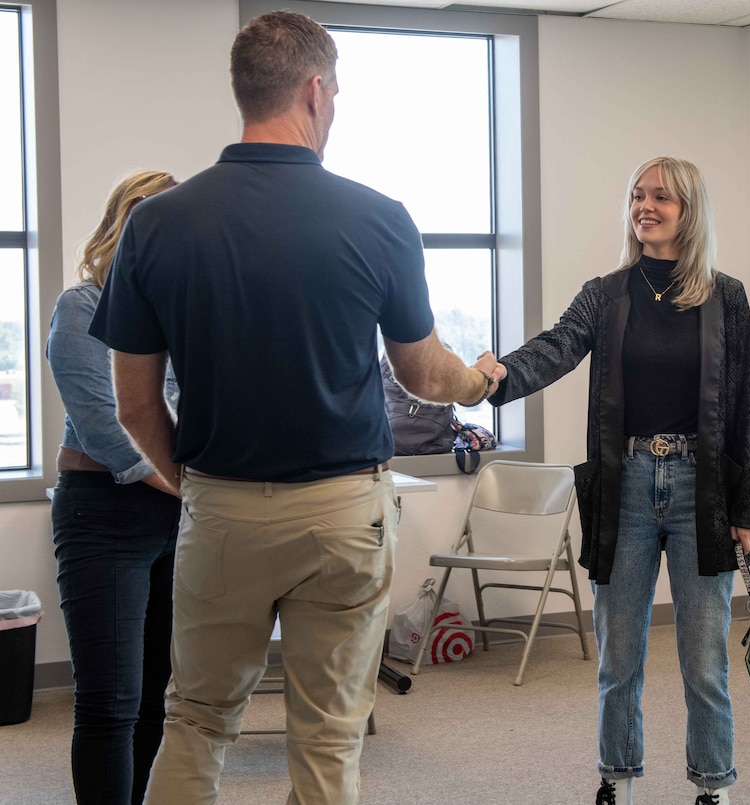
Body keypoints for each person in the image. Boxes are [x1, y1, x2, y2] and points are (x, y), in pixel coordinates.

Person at [88, 11, 494, 805]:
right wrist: (478, 382)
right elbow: (423, 375)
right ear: (315, 91)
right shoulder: (378, 217)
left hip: (219, 508)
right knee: (329, 736)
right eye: (335, 93)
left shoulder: (155, 224)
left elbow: (134, 404)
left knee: (196, 720)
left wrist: (199, 487)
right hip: (342, 514)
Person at [483, 156, 750, 805]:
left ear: (689, 210)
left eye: (661, 197)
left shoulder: (726, 296)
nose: (645, 206)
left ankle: (713, 786)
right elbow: (555, 347)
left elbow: (746, 401)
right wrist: (498, 375)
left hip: (703, 488)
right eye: (638, 195)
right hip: (627, 486)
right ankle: (617, 779)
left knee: (705, 660)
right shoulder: (606, 294)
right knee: (618, 656)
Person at [46, 170, 181, 805]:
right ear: (121, 228)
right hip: (104, 513)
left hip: (174, 515)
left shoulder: (178, 315)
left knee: (156, 695)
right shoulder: (82, 305)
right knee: (110, 700)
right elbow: (105, 426)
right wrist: (187, 487)